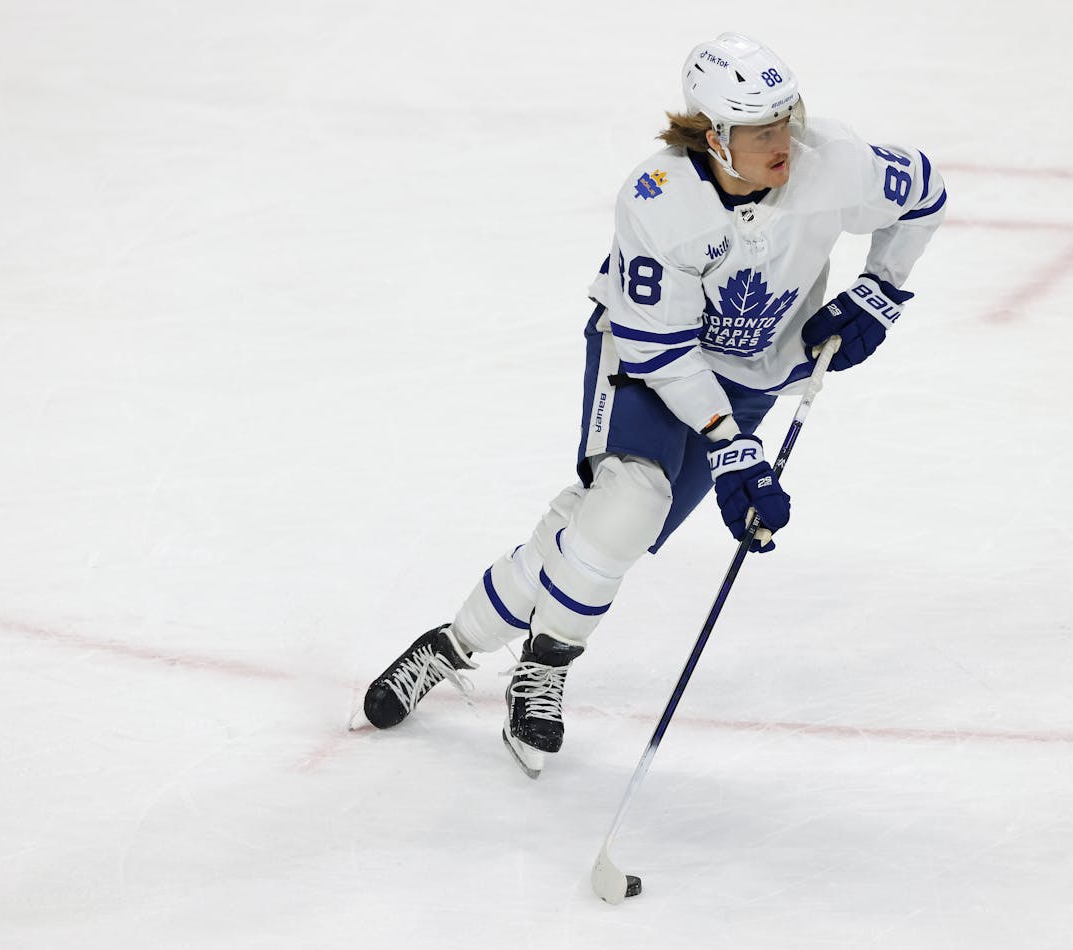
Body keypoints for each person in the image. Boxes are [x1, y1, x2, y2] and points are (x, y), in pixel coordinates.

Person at [360, 32, 947, 777]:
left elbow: (925, 193)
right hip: (647, 359)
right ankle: (545, 667)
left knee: (602, 530)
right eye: (761, 130)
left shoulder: (835, 161)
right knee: (631, 499)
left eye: (787, 119)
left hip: (752, 370)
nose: (784, 142)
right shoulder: (660, 202)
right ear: (712, 137)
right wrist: (731, 444)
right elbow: (662, 350)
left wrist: (884, 288)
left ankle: (450, 645)